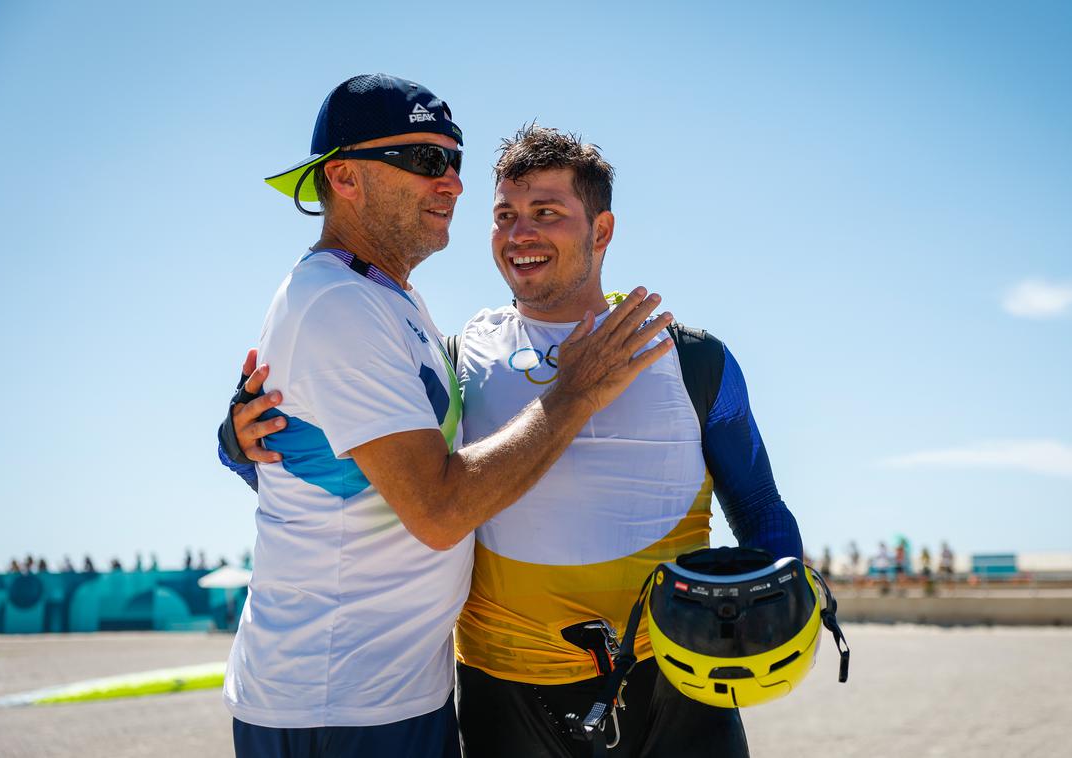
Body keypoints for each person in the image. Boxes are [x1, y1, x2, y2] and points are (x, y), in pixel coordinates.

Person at [224, 125, 800, 757]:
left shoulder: (690, 359)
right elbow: (355, 461)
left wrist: (784, 602)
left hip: (675, 682)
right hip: (507, 693)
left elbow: (758, 503)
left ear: (600, 231)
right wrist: (236, 439)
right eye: (505, 216)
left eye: (546, 213)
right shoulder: (455, 363)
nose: (520, 234)